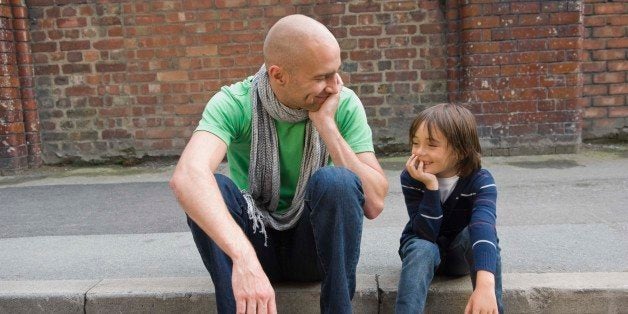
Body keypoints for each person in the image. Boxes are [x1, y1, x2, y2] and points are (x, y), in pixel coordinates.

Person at [169, 14, 388, 314]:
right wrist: (244, 259)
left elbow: (374, 202)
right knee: (213, 188)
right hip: (257, 242)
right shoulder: (235, 102)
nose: (334, 86)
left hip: (313, 248)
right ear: (278, 75)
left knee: (337, 181)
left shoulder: (343, 104)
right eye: (321, 76)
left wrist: (327, 126)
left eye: (336, 72)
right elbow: (187, 177)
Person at [395, 103, 504, 314]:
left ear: (461, 150)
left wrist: (484, 287)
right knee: (421, 248)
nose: (419, 152)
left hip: (460, 257)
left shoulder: (481, 181)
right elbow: (425, 234)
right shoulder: (412, 177)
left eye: (431, 145)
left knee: (477, 232)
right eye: (415, 143)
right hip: (422, 252)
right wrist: (431, 187)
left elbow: (484, 229)